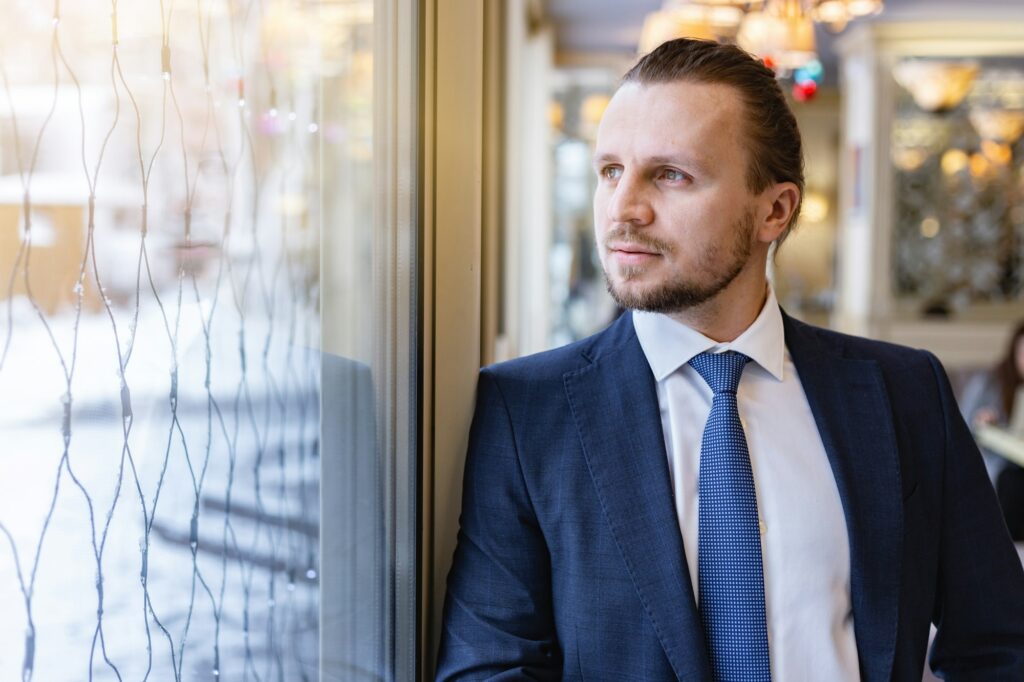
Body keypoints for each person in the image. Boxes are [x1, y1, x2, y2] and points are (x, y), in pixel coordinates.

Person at [436, 38, 1024, 681]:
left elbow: (999, 645)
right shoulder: (527, 411)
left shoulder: (904, 392)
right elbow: (489, 669)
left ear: (775, 210)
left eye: (671, 175)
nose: (623, 208)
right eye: (610, 170)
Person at [960, 320, 1024, 540]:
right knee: (1012, 482)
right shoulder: (988, 383)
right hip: (998, 462)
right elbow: (961, 428)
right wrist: (983, 423)